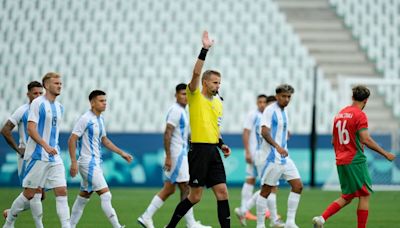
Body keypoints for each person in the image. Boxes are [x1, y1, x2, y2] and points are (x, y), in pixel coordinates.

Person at [165, 31, 231, 228]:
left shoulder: (219, 102)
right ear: (205, 82)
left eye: (219, 82)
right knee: (195, 197)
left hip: (213, 150)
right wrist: (205, 49)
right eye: (214, 82)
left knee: (223, 192)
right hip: (199, 151)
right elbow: (195, 73)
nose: (218, 85)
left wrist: (221, 144)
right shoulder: (195, 95)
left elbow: (214, 127)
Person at [312, 85, 396, 228]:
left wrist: (341, 155)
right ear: (366, 101)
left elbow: (334, 141)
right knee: (364, 195)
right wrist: (385, 153)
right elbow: (365, 139)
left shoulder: (340, 114)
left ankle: (322, 219)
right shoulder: (360, 115)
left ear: (352, 97)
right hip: (355, 160)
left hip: (341, 160)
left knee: (348, 196)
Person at [3, 72, 71, 228]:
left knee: (62, 191)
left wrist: (51, 147)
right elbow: (31, 129)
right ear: (47, 85)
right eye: (56, 83)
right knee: (30, 194)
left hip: (54, 156)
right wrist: (45, 145)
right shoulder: (37, 104)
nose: (59, 86)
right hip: (37, 156)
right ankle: (9, 222)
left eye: (60, 83)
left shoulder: (60, 107)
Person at [137, 83, 210, 228]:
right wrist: (169, 156)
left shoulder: (183, 110)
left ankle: (146, 216)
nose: (185, 97)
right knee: (186, 188)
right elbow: (167, 133)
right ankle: (190, 223)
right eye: (182, 94)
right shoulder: (176, 111)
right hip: (177, 155)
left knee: (169, 189)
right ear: (176, 95)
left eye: (186, 94)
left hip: (179, 154)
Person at [68, 90, 133, 228]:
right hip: (88, 162)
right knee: (106, 195)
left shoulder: (100, 119)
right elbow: (72, 139)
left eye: (105, 101)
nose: (104, 103)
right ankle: (117, 226)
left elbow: (105, 140)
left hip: (94, 162)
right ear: (92, 103)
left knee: (83, 197)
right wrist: (73, 162)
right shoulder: (85, 119)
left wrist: (122, 153)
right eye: (101, 101)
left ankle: (69, 226)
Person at [256, 84, 302, 228]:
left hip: (284, 157)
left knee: (298, 186)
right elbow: (264, 131)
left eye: (289, 97)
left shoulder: (284, 111)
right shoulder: (270, 110)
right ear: (277, 96)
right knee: (266, 191)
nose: (286, 99)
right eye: (283, 96)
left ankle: (290, 222)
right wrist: (277, 146)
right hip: (272, 157)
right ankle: (260, 224)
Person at [235, 95, 282, 226]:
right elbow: (246, 132)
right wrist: (248, 151)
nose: (262, 105)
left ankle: (244, 209)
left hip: (260, 155)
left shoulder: (265, 117)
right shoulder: (258, 117)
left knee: (259, 183)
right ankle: (273, 218)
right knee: (269, 187)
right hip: (262, 155)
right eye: (260, 102)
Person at [1, 81, 44, 223]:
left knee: (39, 195)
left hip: (42, 156)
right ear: (28, 94)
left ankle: (10, 213)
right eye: (35, 93)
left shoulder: (45, 110)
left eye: (40, 93)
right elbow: (5, 130)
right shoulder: (23, 110)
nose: (38, 96)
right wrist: (18, 148)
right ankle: (11, 222)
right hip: (27, 158)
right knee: (35, 194)